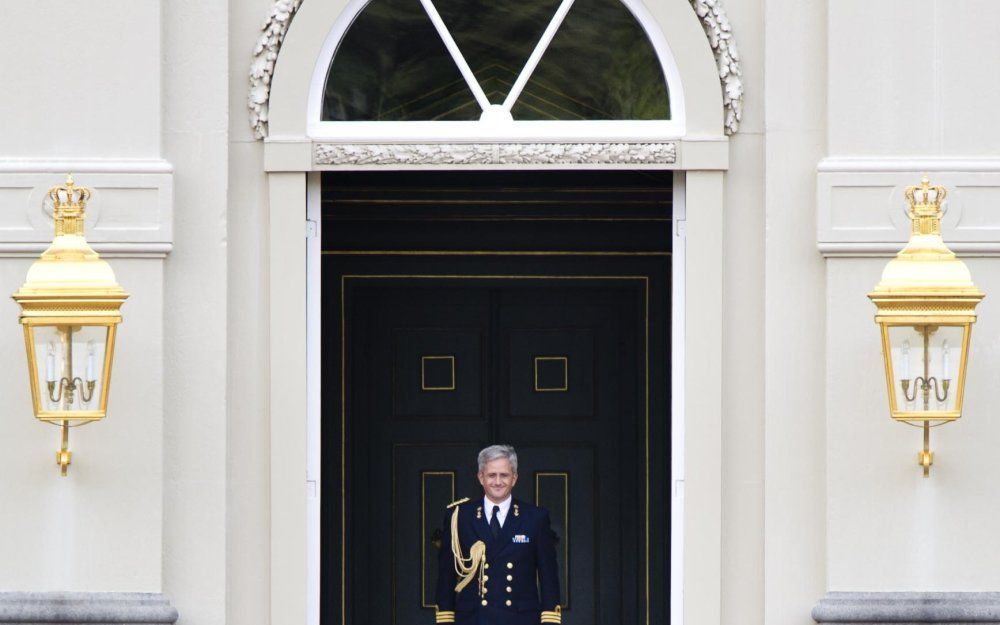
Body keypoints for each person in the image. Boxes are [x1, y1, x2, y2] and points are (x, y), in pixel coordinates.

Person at [435, 445, 561, 625]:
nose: (498, 482)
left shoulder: (535, 518)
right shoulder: (459, 516)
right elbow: (446, 575)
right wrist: (446, 619)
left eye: (504, 475)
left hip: (520, 619)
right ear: (481, 477)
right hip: (473, 619)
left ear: (514, 478)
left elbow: (548, 576)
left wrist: (549, 620)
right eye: (491, 475)